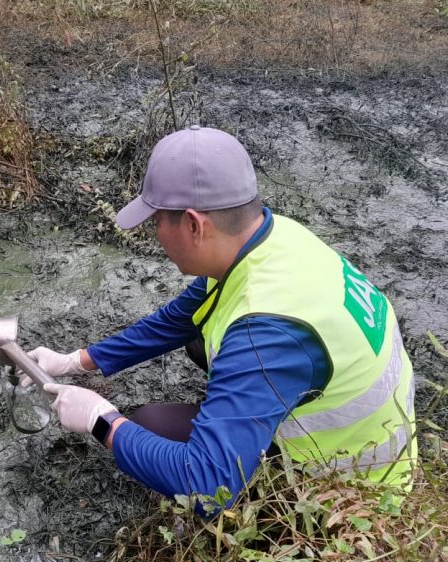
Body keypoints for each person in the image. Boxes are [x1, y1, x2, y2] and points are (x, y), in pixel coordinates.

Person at [34, 125, 415, 508]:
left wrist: (101, 420)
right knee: (198, 337)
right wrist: (75, 361)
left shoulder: (265, 332)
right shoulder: (273, 237)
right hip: (363, 433)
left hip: (347, 495)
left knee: (149, 426)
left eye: (156, 223)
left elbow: (208, 487)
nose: (155, 235)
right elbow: (177, 320)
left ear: (194, 225)